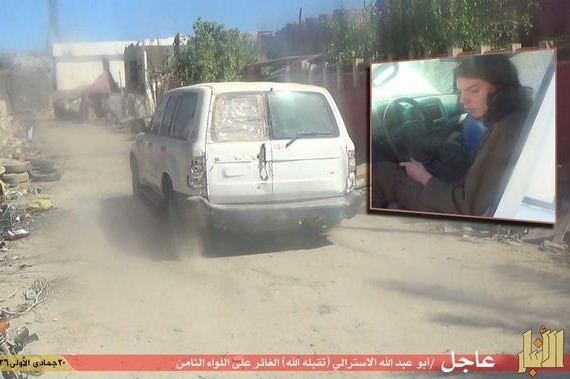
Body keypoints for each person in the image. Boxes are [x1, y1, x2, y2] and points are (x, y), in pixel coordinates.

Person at [372, 53, 532, 216]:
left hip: (456, 209)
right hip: (462, 191)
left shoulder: (505, 131)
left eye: (474, 90)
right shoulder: (513, 117)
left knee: (382, 174)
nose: (464, 100)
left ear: (501, 89)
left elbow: (468, 207)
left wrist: (424, 177)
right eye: (462, 91)